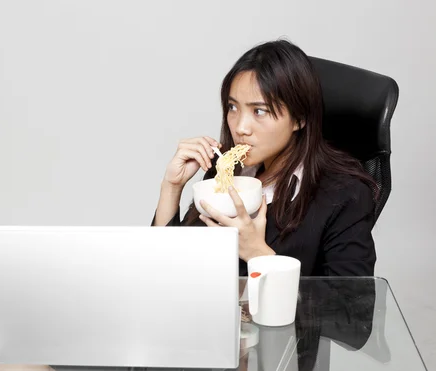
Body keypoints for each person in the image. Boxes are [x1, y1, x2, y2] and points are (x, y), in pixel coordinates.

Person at [152, 39, 377, 277]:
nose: (240, 127)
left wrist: (257, 254)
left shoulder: (346, 196)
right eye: (232, 107)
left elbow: (349, 306)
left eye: (259, 111)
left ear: (299, 118)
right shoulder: (228, 169)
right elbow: (168, 270)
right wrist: (171, 187)